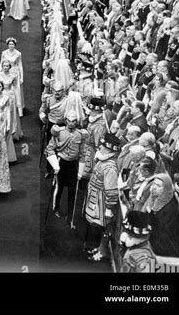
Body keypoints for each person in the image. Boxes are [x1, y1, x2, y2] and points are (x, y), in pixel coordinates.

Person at [84, 132, 121, 260]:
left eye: (102, 145)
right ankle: (90, 247)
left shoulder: (110, 167)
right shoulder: (103, 161)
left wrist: (109, 209)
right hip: (94, 197)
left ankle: (95, 251)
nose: (99, 147)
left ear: (109, 149)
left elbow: (111, 191)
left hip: (100, 201)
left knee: (96, 225)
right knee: (92, 223)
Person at [46, 111, 86, 222]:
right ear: (66, 120)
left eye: (74, 121)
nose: (71, 123)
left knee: (73, 191)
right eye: (69, 120)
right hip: (61, 162)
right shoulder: (59, 132)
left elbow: (82, 153)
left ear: (76, 122)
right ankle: (56, 208)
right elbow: (49, 149)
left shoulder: (80, 135)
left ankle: (70, 213)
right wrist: (55, 165)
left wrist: (80, 172)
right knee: (59, 188)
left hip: (73, 164)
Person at [143, 173, 179, 257]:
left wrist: (150, 214)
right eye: (154, 184)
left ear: (165, 189)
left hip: (164, 248)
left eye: (158, 186)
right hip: (154, 238)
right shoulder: (156, 198)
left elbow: (162, 236)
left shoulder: (169, 209)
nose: (153, 187)